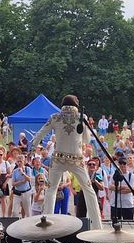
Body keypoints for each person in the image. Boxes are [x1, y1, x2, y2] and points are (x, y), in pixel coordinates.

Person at [32, 95, 104, 229]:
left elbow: (40, 134)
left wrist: (31, 148)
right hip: (77, 160)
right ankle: (97, 226)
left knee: (51, 190)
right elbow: (87, 140)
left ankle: (45, 224)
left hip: (58, 159)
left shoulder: (55, 117)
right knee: (89, 190)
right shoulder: (81, 117)